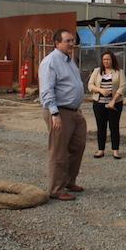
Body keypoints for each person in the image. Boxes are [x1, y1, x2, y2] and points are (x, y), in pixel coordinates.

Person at [39, 29, 86, 201]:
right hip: (59, 111)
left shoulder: (69, 60)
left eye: (72, 40)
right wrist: (55, 113)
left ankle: (69, 181)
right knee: (58, 151)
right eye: (67, 41)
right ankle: (56, 189)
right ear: (57, 43)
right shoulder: (51, 62)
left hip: (74, 111)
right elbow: (46, 90)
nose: (71, 43)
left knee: (78, 145)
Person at [88, 51, 126, 159]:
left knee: (114, 127)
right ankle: (101, 150)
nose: (106, 61)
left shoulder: (119, 72)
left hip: (115, 104)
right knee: (101, 127)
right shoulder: (97, 71)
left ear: (112, 60)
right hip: (99, 104)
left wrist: (113, 100)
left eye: (108, 59)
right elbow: (90, 85)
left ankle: (115, 151)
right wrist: (100, 90)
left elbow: (122, 87)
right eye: (104, 59)